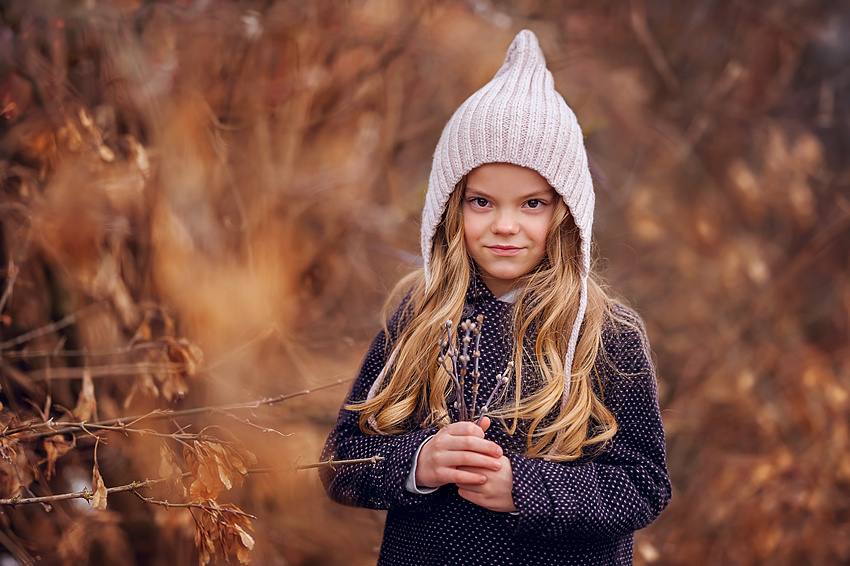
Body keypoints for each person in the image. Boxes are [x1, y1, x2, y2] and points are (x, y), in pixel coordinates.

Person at [319, 29, 671, 566]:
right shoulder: (420, 320)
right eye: (482, 201)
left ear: (566, 214)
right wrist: (419, 462)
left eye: (532, 204)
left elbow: (643, 484)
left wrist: (527, 490)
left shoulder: (607, 334)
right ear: (450, 209)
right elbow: (341, 461)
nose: (505, 226)